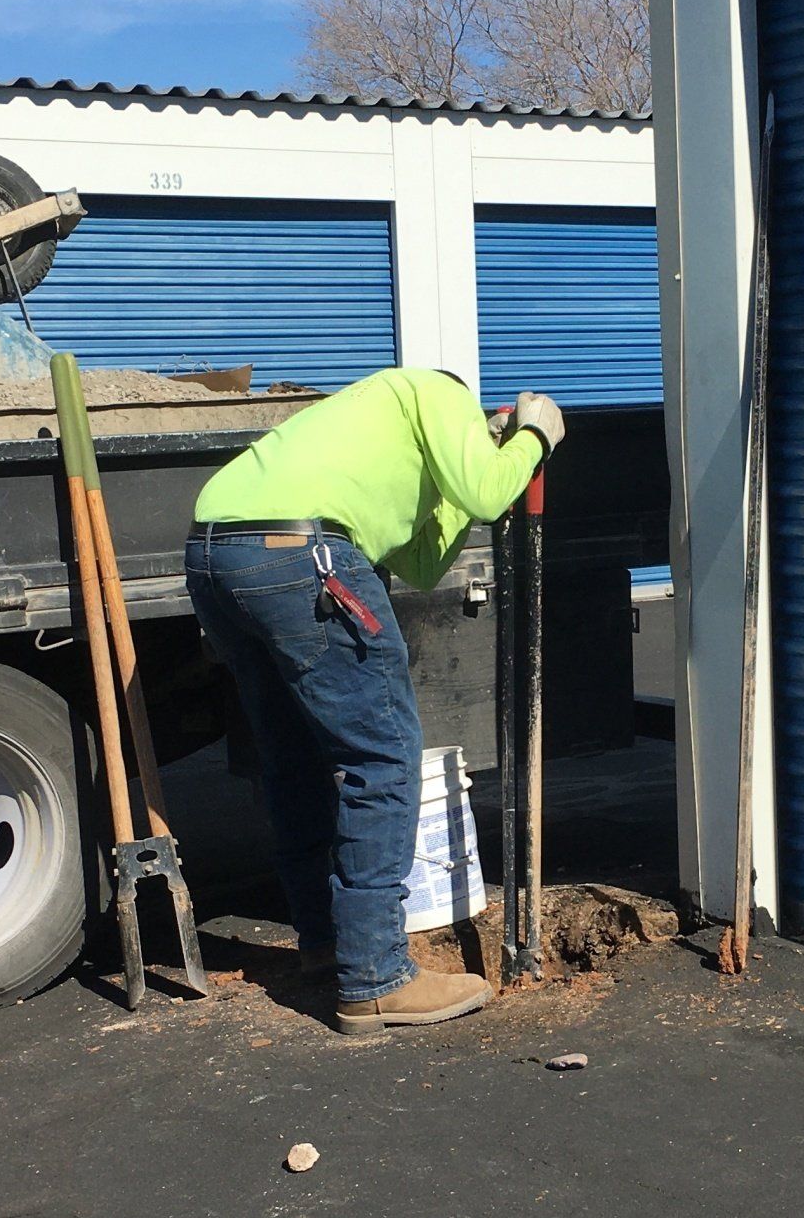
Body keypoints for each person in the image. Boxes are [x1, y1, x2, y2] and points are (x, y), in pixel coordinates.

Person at [185, 368, 565, 1034]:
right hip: (302, 551)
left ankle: (326, 942)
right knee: (383, 758)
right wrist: (533, 437)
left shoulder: (376, 425)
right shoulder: (439, 390)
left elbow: (421, 565)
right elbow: (487, 487)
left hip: (217, 553)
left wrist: (459, 491)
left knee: (297, 756)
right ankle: (376, 977)